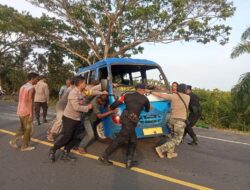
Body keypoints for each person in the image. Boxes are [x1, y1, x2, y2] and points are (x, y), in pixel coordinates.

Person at [99, 84, 150, 169]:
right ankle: (104, 157)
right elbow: (147, 109)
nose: (145, 91)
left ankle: (129, 162)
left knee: (133, 140)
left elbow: (114, 105)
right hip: (131, 122)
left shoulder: (126, 96)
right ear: (141, 90)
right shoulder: (145, 99)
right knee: (119, 140)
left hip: (125, 120)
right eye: (144, 90)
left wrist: (111, 108)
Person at [48, 76, 92, 162]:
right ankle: (53, 149)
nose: (85, 84)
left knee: (74, 138)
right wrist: (88, 107)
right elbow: (76, 107)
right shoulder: (73, 93)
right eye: (84, 82)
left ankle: (65, 153)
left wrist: (102, 92)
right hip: (69, 118)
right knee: (67, 136)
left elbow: (92, 91)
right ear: (80, 83)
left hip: (77, 118)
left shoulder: (82, 92)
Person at [150, 83, 190, 159]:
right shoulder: (188, 97)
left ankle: (170, 153)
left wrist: (150, 92)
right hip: (180, 121)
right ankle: (160, 149)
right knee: (177, 139)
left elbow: (160, 95)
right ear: (184, 89)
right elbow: (187, 93)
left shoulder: (173, 96)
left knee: (173, 137)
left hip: (171, 120)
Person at [9, 72, 39, 151]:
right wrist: (31, 114)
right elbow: (30, 102)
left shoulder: (23, 86)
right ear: (32, 79)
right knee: (28, 129)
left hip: (20, 109)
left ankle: (13, 141)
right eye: (37, 79)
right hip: (26, 111)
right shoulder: (31, 88)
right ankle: (24, 146)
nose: (37, 80)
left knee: (23, 128)